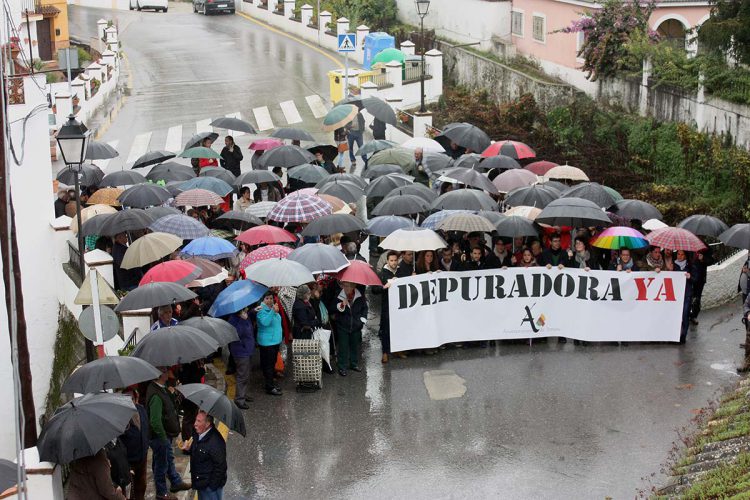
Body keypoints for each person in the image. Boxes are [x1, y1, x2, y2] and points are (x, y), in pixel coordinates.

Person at [147, 368, 191, 500]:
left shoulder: (162, 388)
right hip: (160, 437)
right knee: (161, 465)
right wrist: (162, 438)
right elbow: (155, 421)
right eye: (166, 370)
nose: (168, 372)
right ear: (160, 374)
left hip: (165, 435)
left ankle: (175, 482)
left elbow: (169, 407)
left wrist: (171, 394)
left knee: (168, 458)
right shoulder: (155, 394)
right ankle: (162, 493)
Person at [182, 411, 227, 500]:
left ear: (207, 424)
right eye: (195, 420)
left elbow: (221, 467)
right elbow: (199, 452)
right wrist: (189, 449)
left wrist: (211, 487)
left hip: (209, 488)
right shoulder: (197, 433)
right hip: (200, 483)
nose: (195, 424)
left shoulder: (216, 442)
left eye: (199, 421)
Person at [330, 281, 368, 376]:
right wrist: (342, 305)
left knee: (354, 345)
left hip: (356, 326)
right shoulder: (339, 296)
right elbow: (331, 309)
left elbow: (364, 308)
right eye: (345, 286)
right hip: (343, 326)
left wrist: (362, 321)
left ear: (354, 286)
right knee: (343, 347)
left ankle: (353, 364)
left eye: (349, 286)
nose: (346, 288)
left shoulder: (359, 296)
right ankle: (342, 367)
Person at [120, 387, 149, 500]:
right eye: (126, 398)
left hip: (142, 455)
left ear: (135, 398)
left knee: (141, 486)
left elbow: (146, 428)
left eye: (131, 398)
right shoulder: (121, 417)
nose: (129, 401)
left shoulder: (141, 410)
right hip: (129, 460)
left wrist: (146, 446)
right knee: (129, 491)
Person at [372, 251, 400, 363]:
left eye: (395, 260)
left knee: (398, 328)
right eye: (391, 260)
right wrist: (384, 287)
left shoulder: (400, 271)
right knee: (386, 330)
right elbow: (374, 289)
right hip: (387, 307)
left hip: (399, 307)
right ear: (387, 261)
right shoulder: (382, 274)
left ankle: (398, 349)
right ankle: (385, 352)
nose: (393, 263)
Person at [256, 291, 283, 396]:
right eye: (267, 298)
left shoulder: (273, 309)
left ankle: (270, 383)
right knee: (268, 365)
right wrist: (273, 311)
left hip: (274, 342)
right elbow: (265, 322)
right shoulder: (261, 310)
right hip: (267, 343)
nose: (269, 300)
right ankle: (269, 387)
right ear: (263, 300)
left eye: (271, 298)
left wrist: (274, 311)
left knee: (272, 364)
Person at [228, 308, 255, 410]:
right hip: (240, 351)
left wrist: (251, 313)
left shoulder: (245, 316)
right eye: (245, 308)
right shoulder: (233, 320)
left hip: (247, 349)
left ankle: (243, 394)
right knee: (242, 375)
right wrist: (243, 319)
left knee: (247, 374)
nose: (247, 309)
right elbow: (237, 334)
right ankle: (239, 399)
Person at [690, 249, 712, 325]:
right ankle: (685, 315)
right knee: (687, 297)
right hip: (688, 277)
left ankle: (694, 316)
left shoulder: (705, 248)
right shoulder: (687, 244)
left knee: (697, 299)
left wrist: (703, 259)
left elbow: (711, 260)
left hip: (700, 279)